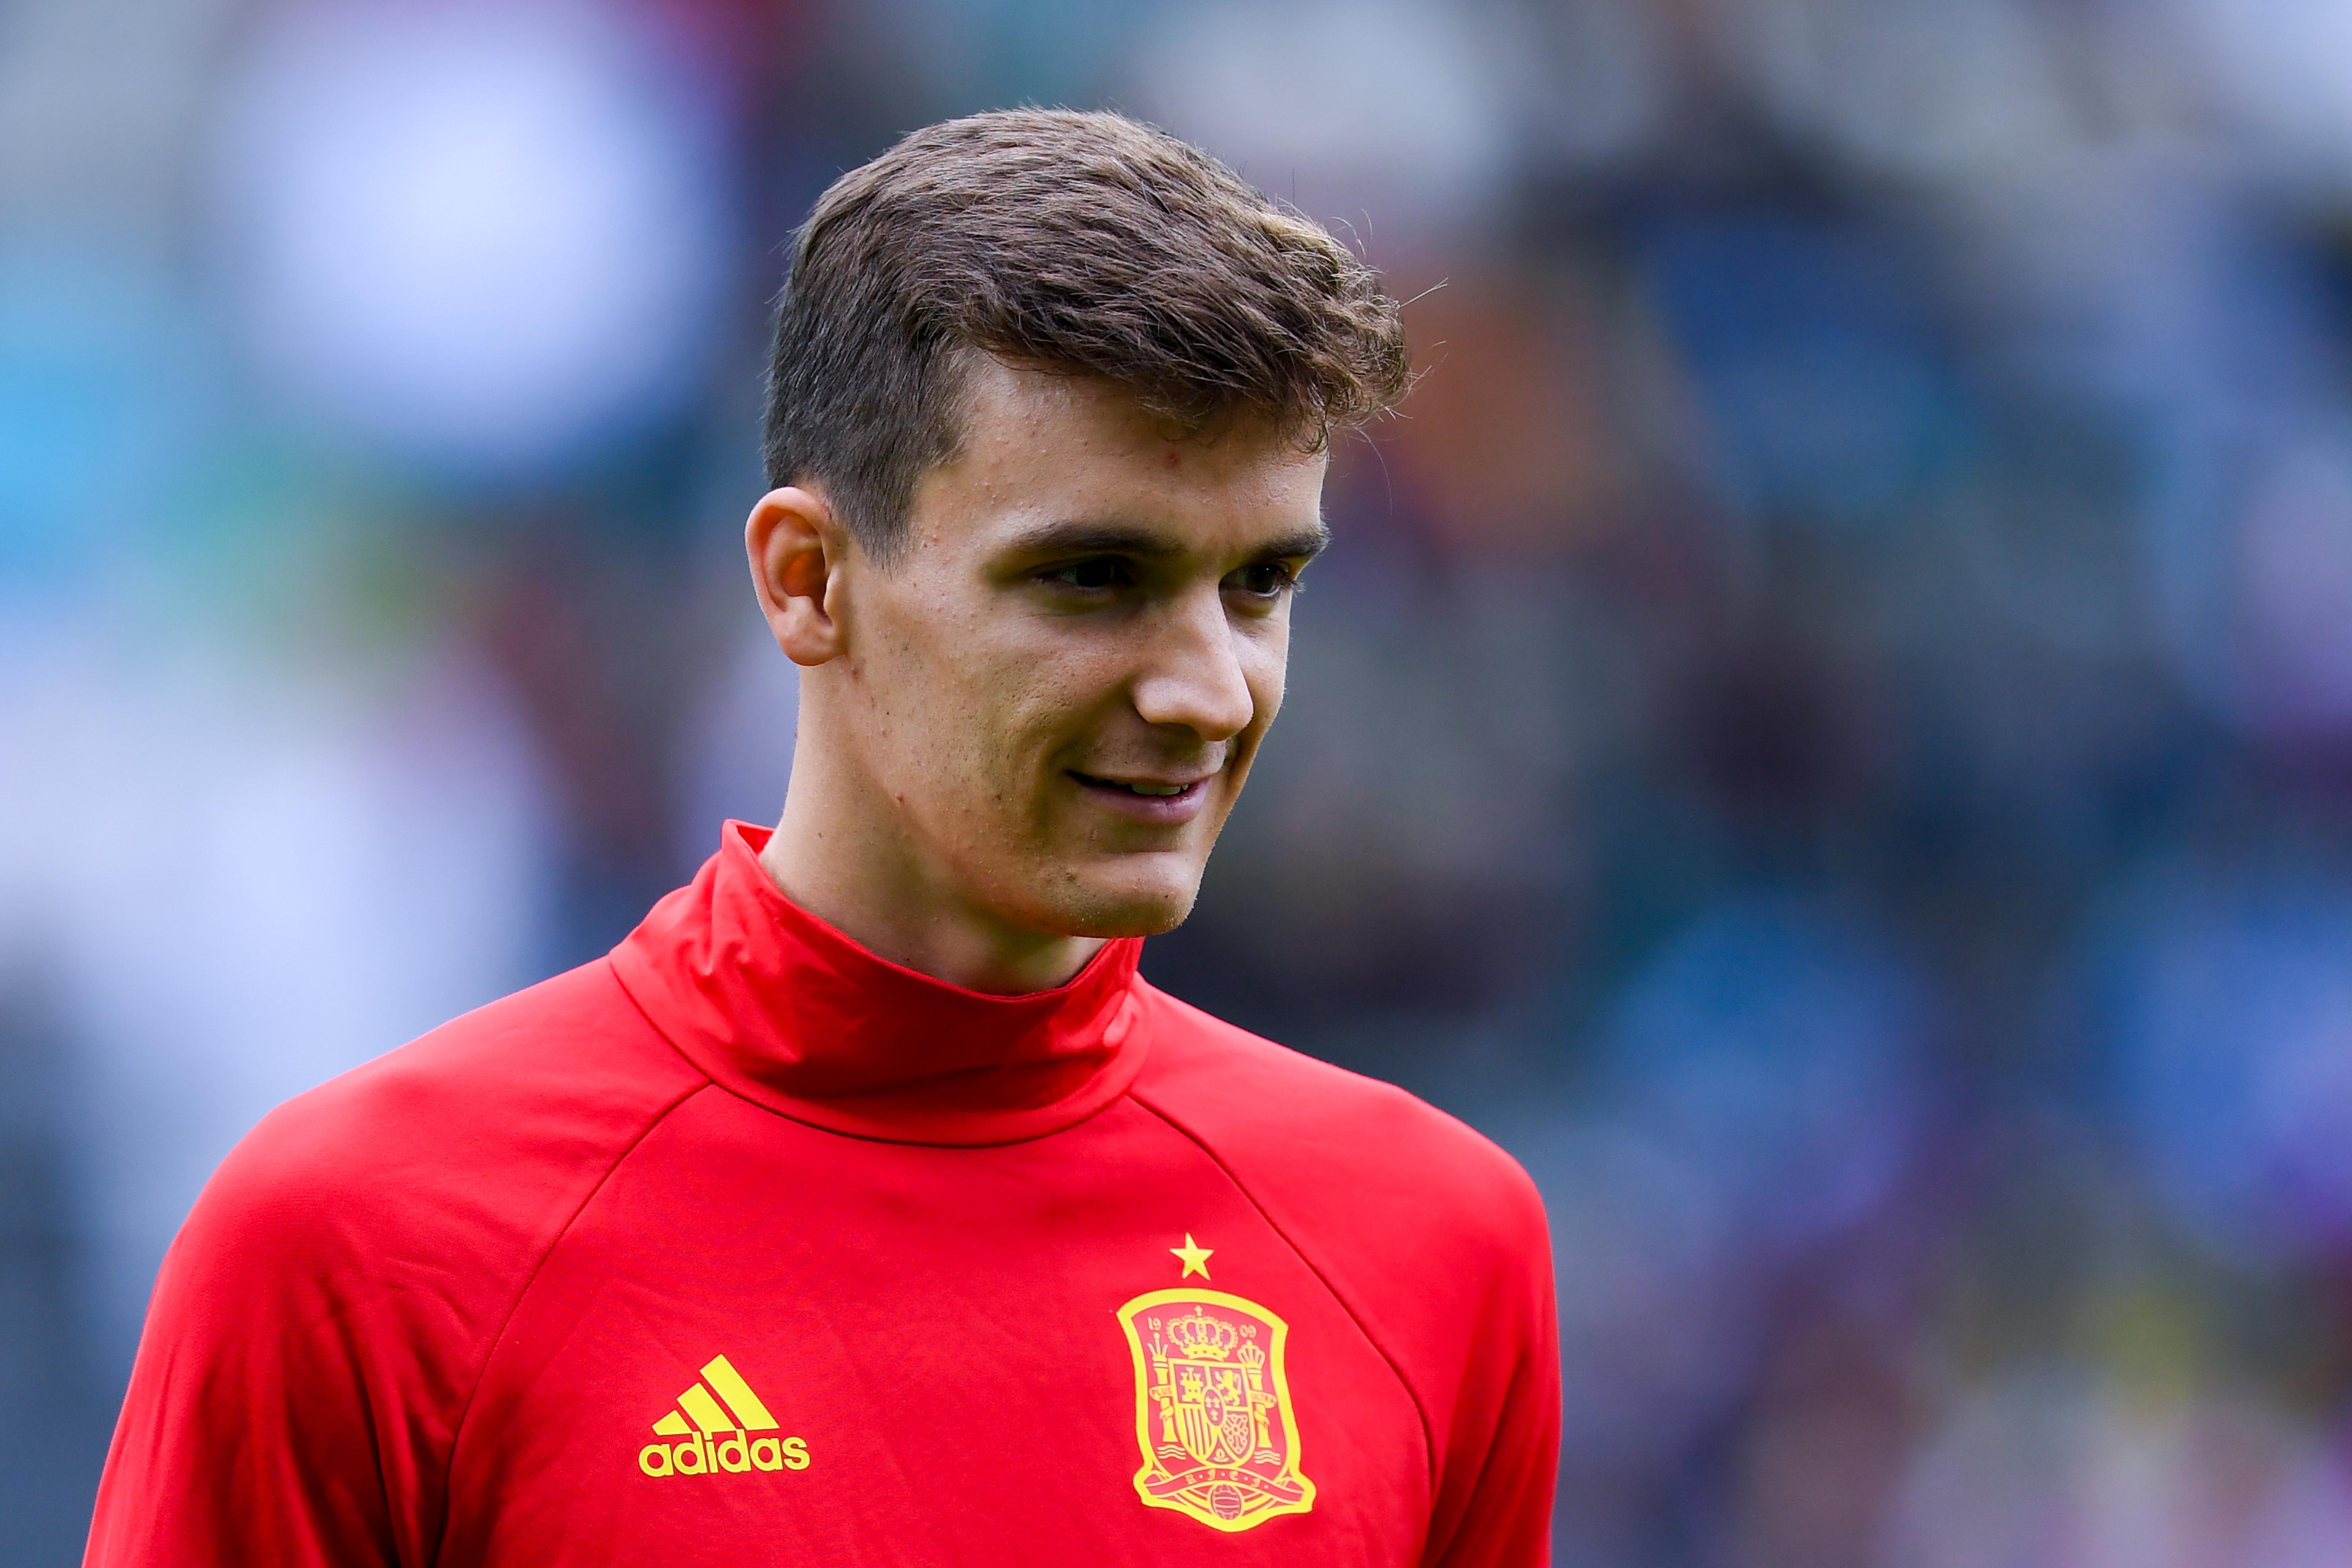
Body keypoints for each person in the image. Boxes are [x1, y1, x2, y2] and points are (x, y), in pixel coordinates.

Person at [85, 109, 1559, 1566]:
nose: (1205, 690)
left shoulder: (1437, 1248)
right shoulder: (357, 1252)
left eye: (1258, 585)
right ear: (806, 582)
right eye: (1094, 577)